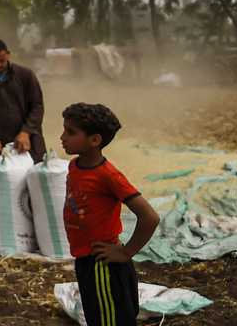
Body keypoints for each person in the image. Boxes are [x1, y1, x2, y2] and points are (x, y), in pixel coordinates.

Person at [60, 102, 160, 326]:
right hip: (86, 260)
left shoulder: (109, 176)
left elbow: (150, 217)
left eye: (71, 132)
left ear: (95, 140)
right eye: (64, 129)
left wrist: (126, 252)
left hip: (102, 264)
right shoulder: (75, 166)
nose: (62, 137)